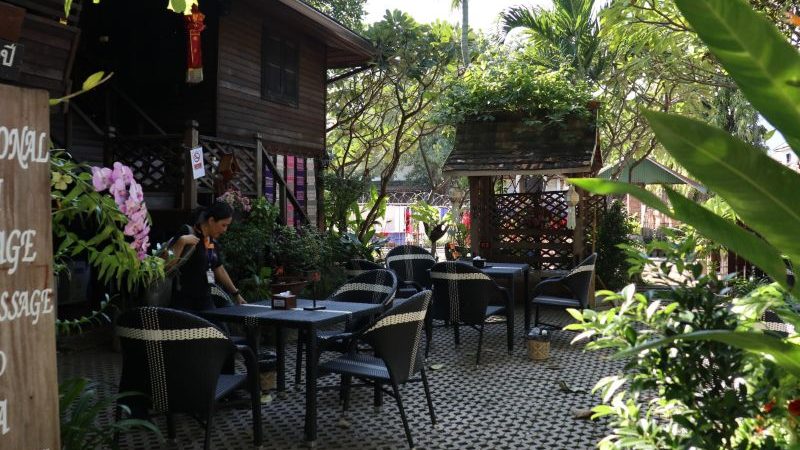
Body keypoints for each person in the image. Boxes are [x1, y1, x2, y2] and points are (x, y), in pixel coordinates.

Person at [170, 201, 246, 311]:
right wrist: (181, 242)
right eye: (223, 225)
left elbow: (219, 269)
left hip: (205, 300)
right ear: (211, 221)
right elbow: (168, 265)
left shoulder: (211, 242)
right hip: (184, 303)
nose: (225, 230)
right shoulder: (187, 232)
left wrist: (236, 294)